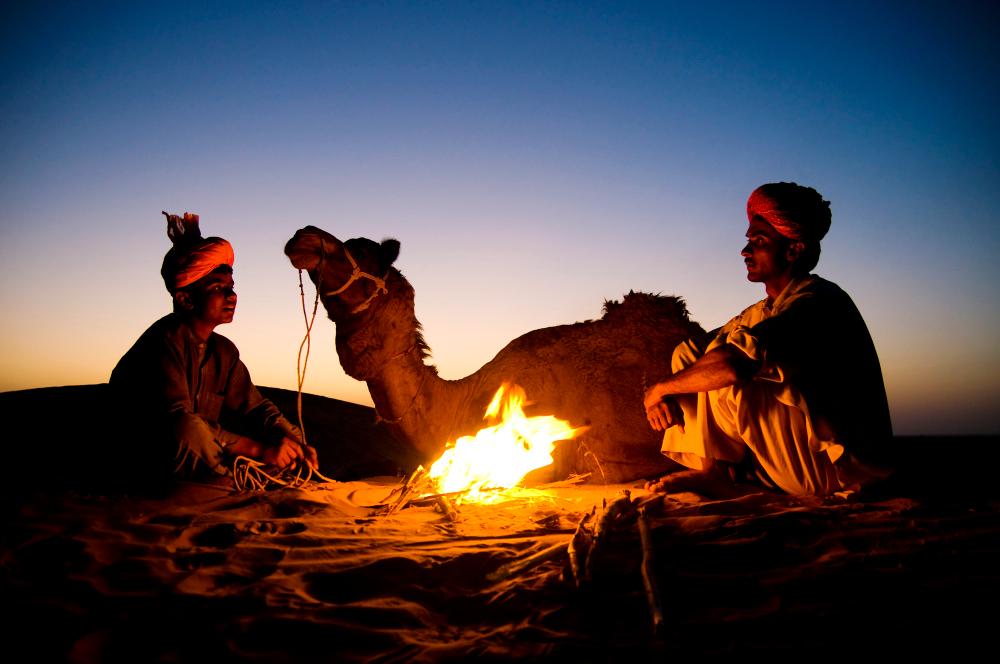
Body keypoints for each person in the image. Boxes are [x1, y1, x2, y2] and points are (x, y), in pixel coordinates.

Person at [642, 183, 892, 497]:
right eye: (748, 241)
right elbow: (693, 351)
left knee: (728, 361)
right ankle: (712, 470)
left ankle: (716, 473)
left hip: (833, 473)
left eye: (758, 242)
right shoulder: (765, 311)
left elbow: (733, 363)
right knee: (691, 354)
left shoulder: (819, 303)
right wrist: (668, 390)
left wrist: (659, 389)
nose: (745, 252)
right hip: (789, 463)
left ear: (793, 250)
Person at [110, 212, 318, 481]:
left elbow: (255, 408)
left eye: (231, 287)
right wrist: (258, 449)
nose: (231, 296)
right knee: (186, 427)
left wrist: (292, 440)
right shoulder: (165, 339)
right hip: (146, 460)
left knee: (285, 445)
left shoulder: (223, 351)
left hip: (202, 456)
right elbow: (179, 422)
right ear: (185, 299)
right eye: (217, 288)